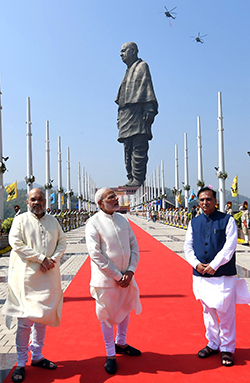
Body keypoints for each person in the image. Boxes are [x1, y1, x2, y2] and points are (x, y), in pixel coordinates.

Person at [2, 188, 66, 382]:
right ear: (27, 202)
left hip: (48, 277)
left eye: (40, 200)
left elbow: (62, 242)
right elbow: (16, 243)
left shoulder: (53, 221)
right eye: (33, 200)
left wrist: (52, 259)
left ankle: (37, 357)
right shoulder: (20, 220)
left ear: (45, 202)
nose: (37, 203)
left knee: (42, 318)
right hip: (26, 278)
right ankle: (21, 362)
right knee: (24, 323)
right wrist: (41, 259)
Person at [184, 187, 250, 367]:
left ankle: (227, 348)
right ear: (199, 202)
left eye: (208, 199)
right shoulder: (194, 222)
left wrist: (214, 265)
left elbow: (230, 246)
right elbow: (187, 247)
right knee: (208, 312)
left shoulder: (227, 220)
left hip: (222, 275)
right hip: (201, 276)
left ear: (215, 201)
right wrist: (196, 264)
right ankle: (213, 344)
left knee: (225, 313)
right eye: (202, 200)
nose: (205, 202)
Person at [85, 188, 142, 375]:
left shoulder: (122, 220)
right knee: (107, 316)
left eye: (115, 196)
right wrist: (118, 275)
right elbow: (96, 254)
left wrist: (131, 271)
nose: (116, 199)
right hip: (106, 280)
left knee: (125, 310)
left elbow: (134, 246)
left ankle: (122, 343)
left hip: (127, 276)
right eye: (111, 197)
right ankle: (110, 353)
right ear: (100, 203)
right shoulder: (93, 223)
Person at [115, 42, 158, 187]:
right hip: (126, 114)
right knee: (127, 149)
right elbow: (121, 98)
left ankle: (138, 179)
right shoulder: (127, 71)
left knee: (139, 147)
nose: (121, 54)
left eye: (123, 51)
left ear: (132, 51)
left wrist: (149, 109)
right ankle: (131, 177)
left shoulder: (142, 66)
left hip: (138, 113)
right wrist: (119, 117)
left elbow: (147, 88)